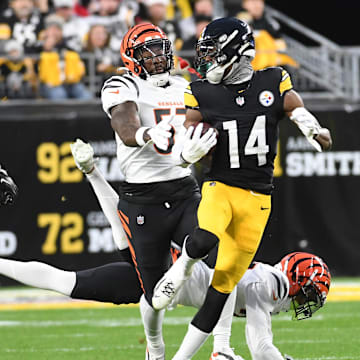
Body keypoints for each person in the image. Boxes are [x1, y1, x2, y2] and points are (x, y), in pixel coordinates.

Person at [0, 142, 331, 360]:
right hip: (167, 273)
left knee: (72, 280)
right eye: (309, 294)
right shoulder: (269, 285)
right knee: (105, 261)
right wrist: (225, 346)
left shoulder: (263, 278)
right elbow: (260, 348)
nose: (304, 303)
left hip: (162, 279)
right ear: (296, 280)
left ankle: (92, 173)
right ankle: (92, 173)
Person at [152, 17, 333, 359]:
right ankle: (182, 268)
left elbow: (293, 105)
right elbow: (187, 134)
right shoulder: (200, 91)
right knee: (205, 236)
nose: (205, 59)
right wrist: (186, 153)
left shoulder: (273, 79)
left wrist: (310, 126)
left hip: (258, 200)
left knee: (221, 291)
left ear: (235, 50)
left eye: (212, 51)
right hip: (220, 185)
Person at [100, 22, 217, 360]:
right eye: (146, 52)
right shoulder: (121, 83)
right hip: (142, 199)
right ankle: (155, 346)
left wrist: (198, 149)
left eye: (159, 48)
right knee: (154, 296)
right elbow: (125, 126)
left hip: (183, 190)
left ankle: (222, 348)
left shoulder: (185, 85)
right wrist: (147, 135)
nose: (156, 57)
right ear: (132, 59)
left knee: (216, 250)